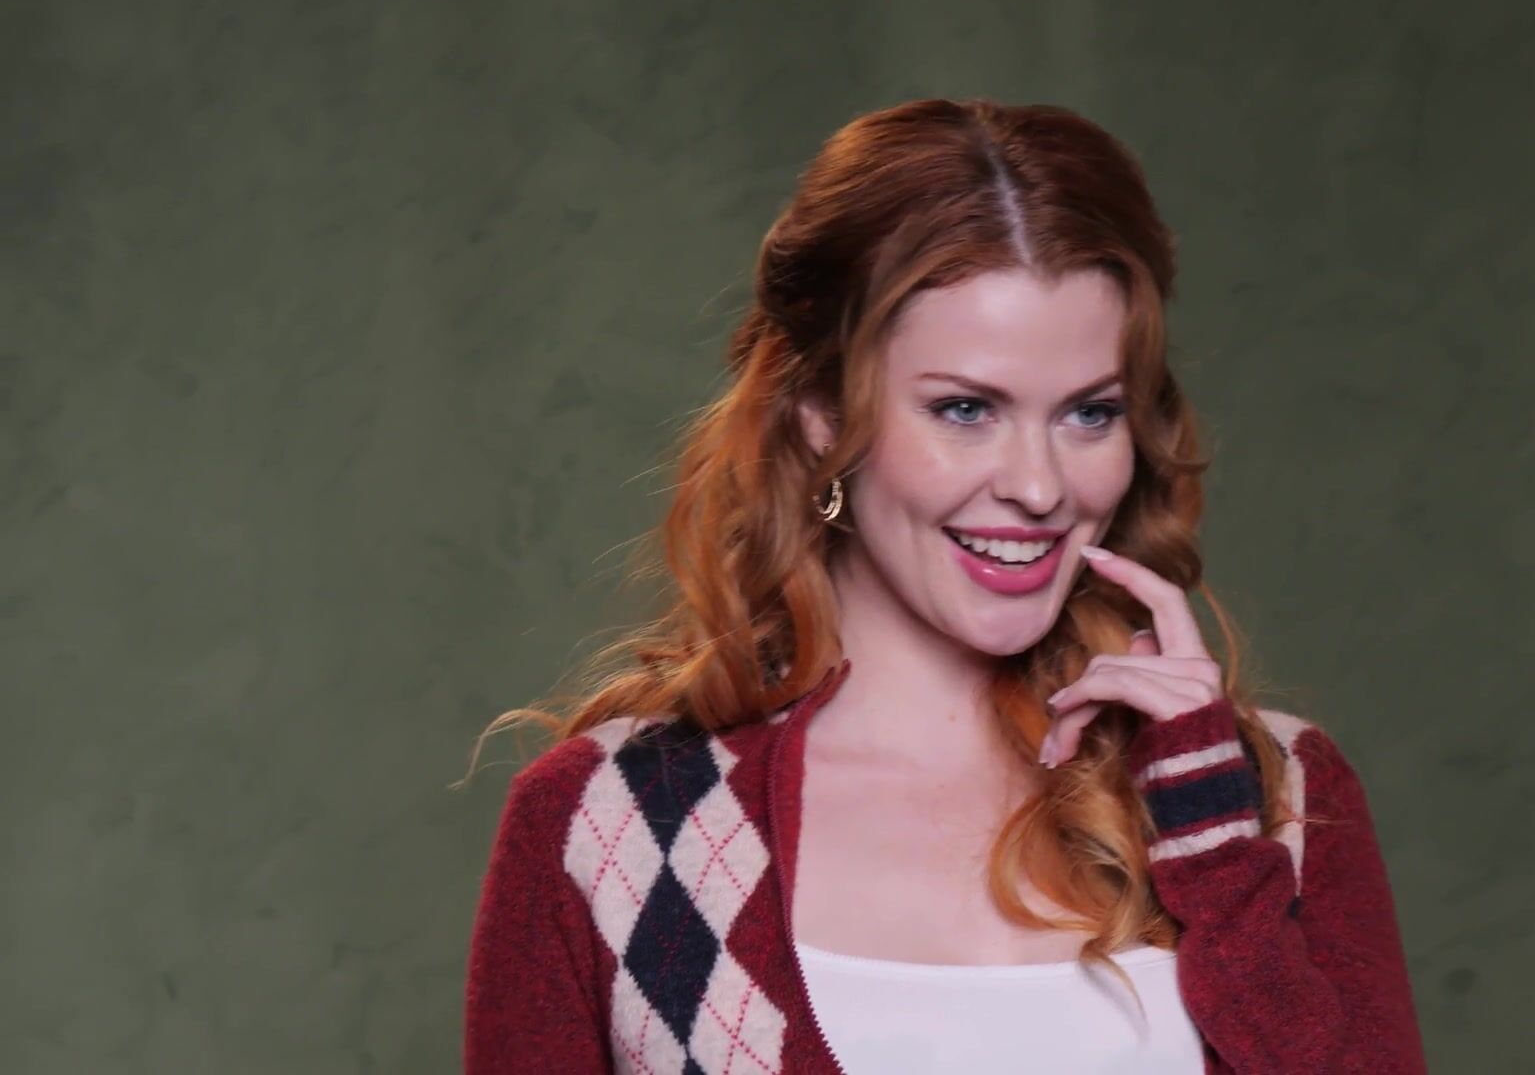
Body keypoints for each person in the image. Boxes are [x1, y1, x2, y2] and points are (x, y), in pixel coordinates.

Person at [463, 96, 1426, 1074]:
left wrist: (1220, 863)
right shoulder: (619, 827)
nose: (1040, 487)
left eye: (1090, 414)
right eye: (966, 409)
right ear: (822, 413)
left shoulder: (1272, 795)